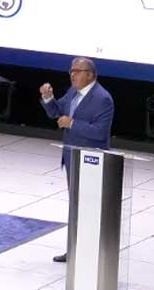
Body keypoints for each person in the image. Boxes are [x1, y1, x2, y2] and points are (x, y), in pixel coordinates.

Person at [39, 56, 115, 263]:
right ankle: (73, 249)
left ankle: (91, 252)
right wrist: (48, 98)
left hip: (91, 161)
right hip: (72, 158)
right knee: (76, 206)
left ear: (90, 75)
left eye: (77, 71)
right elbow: (57, 112)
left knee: (89, 208)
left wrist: (72, 123)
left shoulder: (103, 99)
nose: (72, 75)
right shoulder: (73, 92)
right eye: (71, 71)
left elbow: (100, 132)